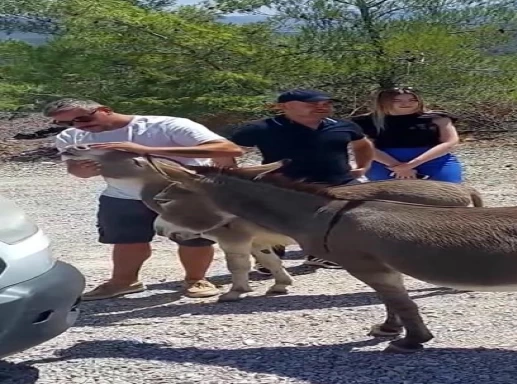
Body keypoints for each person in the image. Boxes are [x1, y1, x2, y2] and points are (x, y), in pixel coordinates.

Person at [43, 98, 243, 301]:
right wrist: (82, 170)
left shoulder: (166, 126)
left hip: (184, 193)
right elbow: (74, 169)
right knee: (127, 240)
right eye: (67, 123)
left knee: (193, 239)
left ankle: (196, 280)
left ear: (105, 110)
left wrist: (145, 150)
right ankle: (123, 282)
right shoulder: (70, 137)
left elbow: (229, 150)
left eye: (83, 118)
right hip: (122, 194)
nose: (79, 125)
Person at [228, 88, 375, 269]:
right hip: (284, 186)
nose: (321, 107)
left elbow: (362, 144)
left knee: (344, 219)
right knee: (277, 221)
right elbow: (227, 151)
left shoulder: (343, 125)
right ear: (283, 106)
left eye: (326, 103)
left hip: (338, 183)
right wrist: (233, 173)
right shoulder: (261, 129)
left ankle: (321, 254)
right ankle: (269, 260)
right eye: (312, 104)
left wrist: (363, 167)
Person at [350, 87, 463, 182]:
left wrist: (410, 165)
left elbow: (450, 142)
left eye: (412, 100)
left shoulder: (438, 118)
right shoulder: (364, 121)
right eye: (398, 100)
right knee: (389, 199)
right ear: (384, 102)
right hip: (384, 163)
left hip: (433, 160)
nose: (406, 104)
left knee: (446, 194)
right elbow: (364, 147)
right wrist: (396, 166)